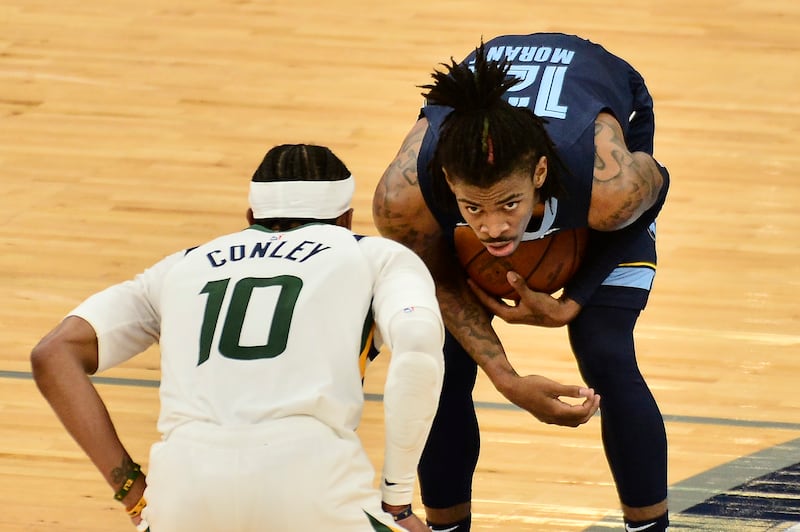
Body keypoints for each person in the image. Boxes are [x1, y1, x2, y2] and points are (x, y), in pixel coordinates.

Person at [31, 143, 445, 532]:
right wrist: (396, 501)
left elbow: (54, 353)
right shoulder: (373, 255)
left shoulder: (180, 267)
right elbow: (418, 343)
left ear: (250, 217)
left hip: (183, 492)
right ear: (346, 220)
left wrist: (132, 492)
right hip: (310, 486)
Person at [372, 33, 670, 531]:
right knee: (439, 358)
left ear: (540, 173)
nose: (492, 228)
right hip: (513, 171)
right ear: (448, 183)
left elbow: (653, 194)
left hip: (596, 124)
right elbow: (438, 276)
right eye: (473, 208)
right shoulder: (402, 197)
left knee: (605, 351)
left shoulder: (609, 181)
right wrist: (507, 379)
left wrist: (572, 300)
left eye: (509, 204)